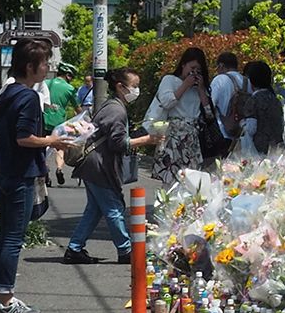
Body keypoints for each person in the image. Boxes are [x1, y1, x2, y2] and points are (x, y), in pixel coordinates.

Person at [0, 39, 63, 313]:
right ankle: (5, 300)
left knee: (6, 235)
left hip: (5, 170)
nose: (47, 68)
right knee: (13, 238)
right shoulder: (29, 97)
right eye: (44, 63)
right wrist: (53, 140)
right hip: (20, 173)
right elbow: (24, 137)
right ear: (30, 67)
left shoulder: (9, 92)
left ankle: (0, 294)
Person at [64, 69, 162, 265]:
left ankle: (74, 248)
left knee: (95, 209)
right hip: (100, 166)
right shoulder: (116, 110)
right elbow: (117, 143)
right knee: (114, 208)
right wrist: (147, 139)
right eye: (134, 86)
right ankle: (125, 250)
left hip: (94, 165)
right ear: (120, 86)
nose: (137, 91)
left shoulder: (111, 105)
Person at [146, 47, 212, 184]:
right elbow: (167, 103)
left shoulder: (200, 87)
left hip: (192, 137)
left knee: (191, 180)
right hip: (173, 136)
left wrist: (200, 90)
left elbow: (209, 113)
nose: (194, 73)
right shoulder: (169, 80)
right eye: (192, 68)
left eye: (198, 70)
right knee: (171, 179)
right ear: (183, 65)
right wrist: (185, 85)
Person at [209, 51, 253, 157]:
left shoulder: (219, 80)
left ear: (221, 65)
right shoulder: (247, 82)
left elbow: (210, 105)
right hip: (244, 135)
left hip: (223, 134)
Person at [44, 62, 80, 185]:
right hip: (58, 123)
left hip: (43, 120)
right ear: (68, 75)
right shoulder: (70, 89)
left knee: (43, 147)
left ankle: (45, 170)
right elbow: (78, 108)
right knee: (60, 147)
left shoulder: (45, 83)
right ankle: (59, 168)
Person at [241, 61, 284, 154]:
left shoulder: (253, 100)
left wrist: (242, 124)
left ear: (251, 80)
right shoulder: (275, 99)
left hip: (257, 149)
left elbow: (251, 129)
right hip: (275, 148)